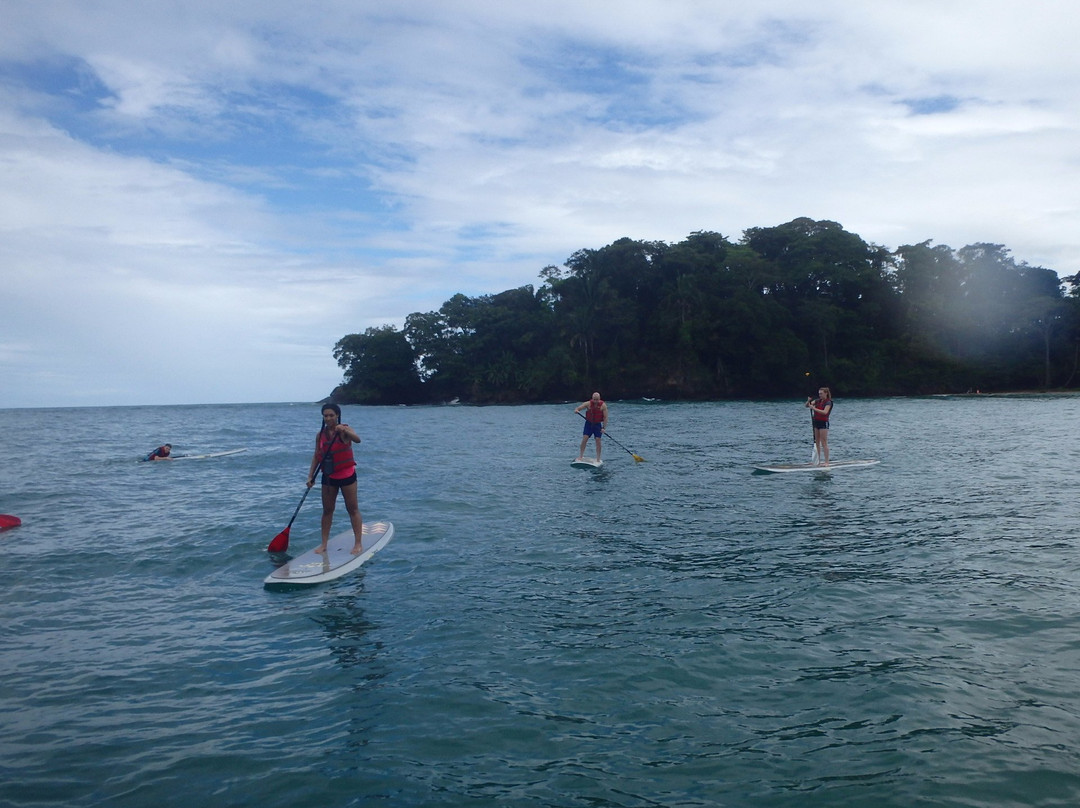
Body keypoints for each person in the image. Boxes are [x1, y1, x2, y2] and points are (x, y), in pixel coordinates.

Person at [307, 404, 365, 555]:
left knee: (352, 509)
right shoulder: (320, 435)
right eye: (325, 416)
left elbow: (358, 440)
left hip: (347, 476)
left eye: (331, 415)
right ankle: (324, 544)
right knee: (327, 510)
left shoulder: (345, 430)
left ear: (337, 415)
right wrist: (310, 476)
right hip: (328, 477)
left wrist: (344, 430)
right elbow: (316, 456)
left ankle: (358, 543)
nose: (328, 418)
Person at [574, 392, 609, 462]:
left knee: (598, 440)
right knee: (585, 438)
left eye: (597, 400)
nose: (595, 401)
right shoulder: (588, 404)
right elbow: (579, 408)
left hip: (597, 425)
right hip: (589, 424)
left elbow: (605, 417)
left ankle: (598, 458)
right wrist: (577, 410)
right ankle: (581, 456)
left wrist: (603, 428)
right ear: (592, 399)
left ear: (599, 399)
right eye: (594, 399)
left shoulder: (603, 406)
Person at [805, 387, 833, 466]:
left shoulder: (828, 402)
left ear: (826, 393)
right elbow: (807, 406)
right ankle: (817, 461)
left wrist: (814, 408)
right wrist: (809, 401)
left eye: (821, 393)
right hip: (816, 422)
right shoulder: (818, 401)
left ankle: (826, 462)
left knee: (824, 442)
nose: (819, 395)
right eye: (819, 393)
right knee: (817, 442)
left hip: (823, 423)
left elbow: (825, 412)